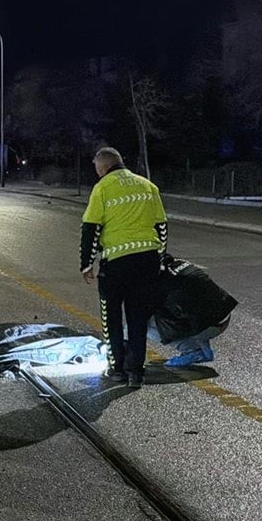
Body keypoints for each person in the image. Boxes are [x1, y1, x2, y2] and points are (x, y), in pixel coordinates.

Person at [80, 147, 167, 389]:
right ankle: (136, 372)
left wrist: (86, 264)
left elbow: (91, 228)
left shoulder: (103, 188)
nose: (98, 174)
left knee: (112, 318)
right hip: (147, 262)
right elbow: (161, 227)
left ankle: (116, 368)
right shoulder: (147, 186)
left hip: (116, 264)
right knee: (138, 319)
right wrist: (160, 259)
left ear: (104, 167)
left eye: (98, 169)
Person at [146, 254, 238, 368]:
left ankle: (194, 352)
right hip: (223, 313)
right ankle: (202, 346)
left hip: (212, 323)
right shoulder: (175, 263)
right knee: (192, 307)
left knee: (146, 326)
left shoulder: (163, 284)